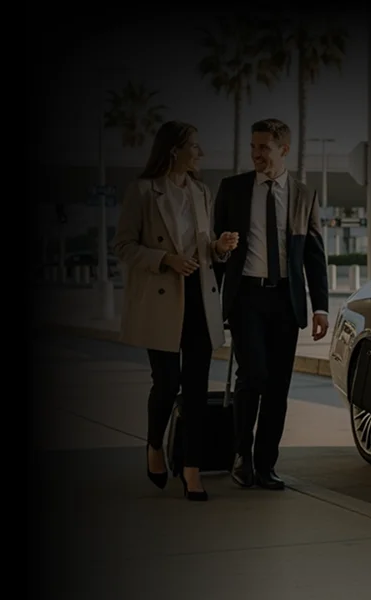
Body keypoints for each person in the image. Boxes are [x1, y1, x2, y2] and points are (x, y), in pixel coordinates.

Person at [111, 121, 236, 502]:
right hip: (162, 300)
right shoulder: (143, 192)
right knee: (166, 384)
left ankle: (191, 469)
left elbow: (203, 250)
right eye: (194, 147)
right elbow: (124, 246)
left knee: (197, 389)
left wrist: (220, 248)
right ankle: (153, 446)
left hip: (199, 298)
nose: (200, 154)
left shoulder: (201, 191)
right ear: (173, 151)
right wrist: (165, 258)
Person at [211, 118, 329, 491]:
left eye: (264, 147)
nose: (256, 154)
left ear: (284, 149)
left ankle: (266, 464)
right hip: (246, 295)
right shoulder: (232, 189)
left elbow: (313, 254)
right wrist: (210, 300)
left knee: (278, 385)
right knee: (253, 376)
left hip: (285, 298)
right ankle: (242, 456)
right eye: (253, 147)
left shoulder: (303, 195)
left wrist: (321, 307)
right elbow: (214, 250)